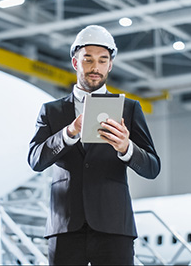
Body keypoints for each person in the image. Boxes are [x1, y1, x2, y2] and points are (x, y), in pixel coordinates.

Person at [27, 25, 161, 265]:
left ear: (110, 65)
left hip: (114, 228)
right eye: (88, 59)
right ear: (75, 63)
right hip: (65, 227)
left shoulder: (129, 109)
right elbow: (35, 160)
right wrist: (69, 132)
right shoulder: (52, 111)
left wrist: (126, 148)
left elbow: (152, 168)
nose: (95, 67)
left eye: (102, 60)